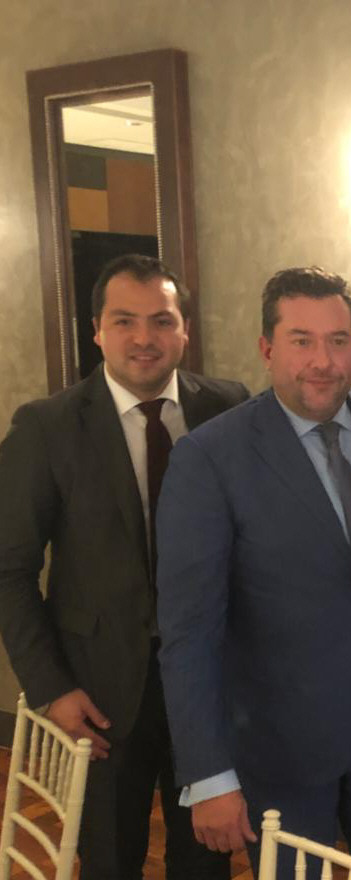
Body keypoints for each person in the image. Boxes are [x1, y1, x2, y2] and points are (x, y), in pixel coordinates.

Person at [155, 268, 351, 878]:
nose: (322, 361)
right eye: (302, 340)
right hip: (279, 746)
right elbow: (188, 631)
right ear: (267, 348)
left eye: (338, 341)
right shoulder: (210, 457)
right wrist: (208, 774)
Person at [0, 254, 247, 880]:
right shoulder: (47, 427)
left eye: (162, 320)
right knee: (109, 860)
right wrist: (52, 688)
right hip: (100, 696)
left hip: (210, 686)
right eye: (124, 321)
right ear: (97, 331)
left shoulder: (230, 407)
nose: (144, 338)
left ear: (185, 329)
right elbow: (8, 569)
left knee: (207, 860)